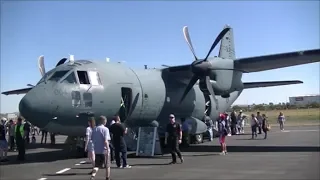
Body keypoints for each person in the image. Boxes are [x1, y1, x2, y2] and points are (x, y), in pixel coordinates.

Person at [91, 116, 111, 180]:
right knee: (107, 166)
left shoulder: (94, 129)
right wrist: (108, 149)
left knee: (97, 166)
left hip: (97, 150)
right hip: (104, 150)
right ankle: (107, 178)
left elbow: (92, 139)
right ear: (104, 121)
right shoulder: (105, 129)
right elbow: (106, 141)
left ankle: (93, 176)